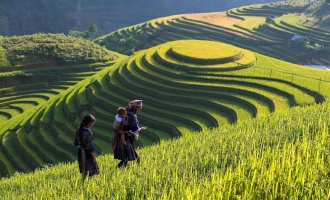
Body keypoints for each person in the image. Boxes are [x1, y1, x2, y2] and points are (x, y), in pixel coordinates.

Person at [113, 100, 146, 168]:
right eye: (139, 109)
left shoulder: (125, 112)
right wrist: (141, 129)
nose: (139, 110)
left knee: (130, 154)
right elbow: (135, 129)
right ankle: (116, 169)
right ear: (136, 108)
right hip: (126, 138)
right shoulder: (132, 116)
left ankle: (138, 164)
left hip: (120, 136)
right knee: (127, 157)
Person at [74, 114, 99, 180]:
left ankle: (83, 182)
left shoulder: (78, 131)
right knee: (91, 171)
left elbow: (75, 143)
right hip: (87, 153)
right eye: (92, 122)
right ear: (88, 123)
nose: (92, 124)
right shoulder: (87, 133)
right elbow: (90, 147)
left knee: (84, 170)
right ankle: (89, 184)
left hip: (80, 152)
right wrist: (94, 158)